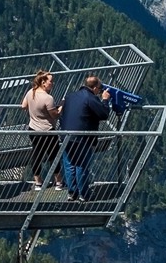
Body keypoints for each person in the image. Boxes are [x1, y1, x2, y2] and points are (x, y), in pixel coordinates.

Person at [58, 74, 112, 202]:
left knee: (69, 164)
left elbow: (61, 113)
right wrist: (105, 100)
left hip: (66, 135)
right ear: (94, 88)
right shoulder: (90, 98)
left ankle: (72, 193)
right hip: (82, 138)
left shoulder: (70, 96)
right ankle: (84, 194)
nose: (99, 91)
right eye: (99, 89)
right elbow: (103, 114)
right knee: (81, 165)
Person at [20, 69, 59, 190]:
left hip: (33, 129)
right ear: (43, 82)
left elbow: (23, 106)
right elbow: (55, 115)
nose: (52, 83)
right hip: (48, 130)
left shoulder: (31, 92)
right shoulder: (48, 98)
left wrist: (34, 112)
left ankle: (38, 182)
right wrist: (61, 107)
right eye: (50, 81)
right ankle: (58, 182)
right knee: (53, 155)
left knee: (37, 154)